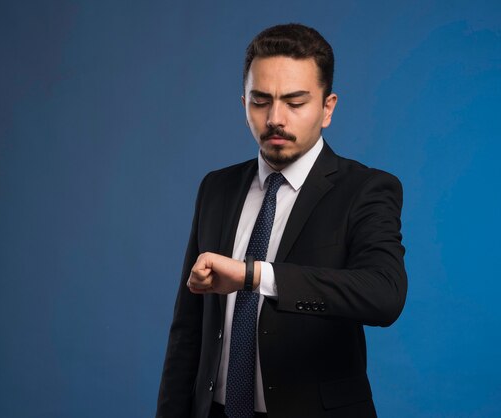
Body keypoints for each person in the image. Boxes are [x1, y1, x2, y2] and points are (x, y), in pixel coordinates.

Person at [157, 23, 407, 418]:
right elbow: (188, 330)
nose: (275, 118)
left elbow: (384, 295)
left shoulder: (366, 189)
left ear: (327, 108)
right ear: (244, 104)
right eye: (260, 101)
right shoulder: (216, 188)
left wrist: (254, 276)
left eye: (294, 102)